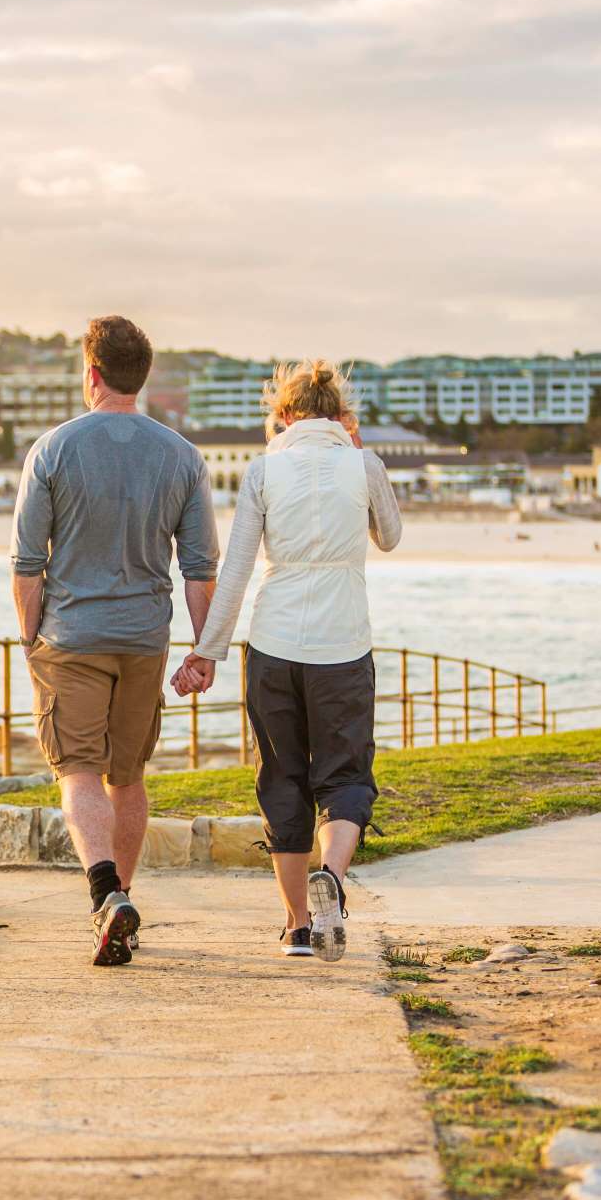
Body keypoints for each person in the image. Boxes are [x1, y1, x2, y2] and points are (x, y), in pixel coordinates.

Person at [175, 360, 402, 961]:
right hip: (344, 646)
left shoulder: (265, 469)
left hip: (273, 646)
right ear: (340, 415)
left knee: (283, 778)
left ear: (282, 415)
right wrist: (360, 456)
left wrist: (206, 652)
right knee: (346, 776)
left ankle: (299, 927)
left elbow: (238, 568)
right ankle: (333, 873)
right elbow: (391, 535)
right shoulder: (365, 464)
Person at [10, 316, 220, 966]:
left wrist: (30, 640)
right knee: (126, 777)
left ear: (92, 374)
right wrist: (202, 650)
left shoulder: (53, 448)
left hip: (71, 637)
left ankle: (105, 893)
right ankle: (120, 901)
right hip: (143, 639)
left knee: (76, 771)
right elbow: (199, 570)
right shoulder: (182, 455)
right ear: (142, 376)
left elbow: (25, 563)